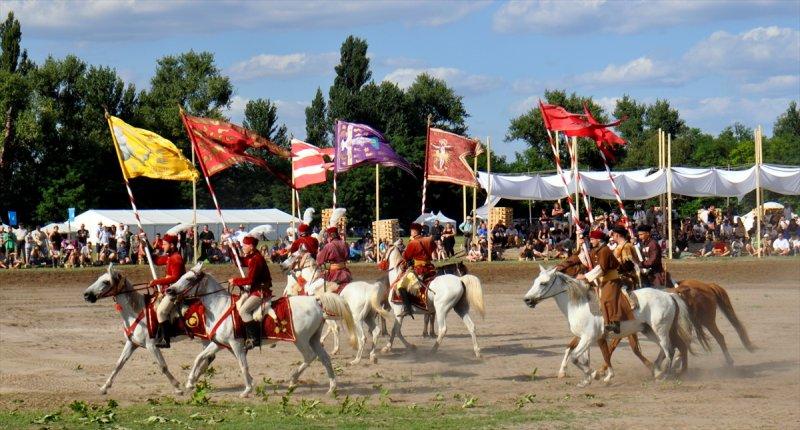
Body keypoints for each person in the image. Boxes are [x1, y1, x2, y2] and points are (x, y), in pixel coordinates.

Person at [576, 230, 631, 334]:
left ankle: (615, 322)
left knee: (607, 298)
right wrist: (581, 248)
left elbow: (601, 268)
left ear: (598, 240)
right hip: (603, 280)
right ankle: (607, 321)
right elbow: (588, 262)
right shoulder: (596, 250)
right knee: (601, 299)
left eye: (592, 239)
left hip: (611, 279)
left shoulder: (605, 250)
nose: (591, 241)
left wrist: (584, 276)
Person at [229, 235, 272, 350]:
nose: (243, 247)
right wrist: (232, 249)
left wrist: (235, 281)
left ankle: (255, 338)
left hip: (261, 291)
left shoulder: (256, 259)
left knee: (243, 311)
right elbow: (240, 262)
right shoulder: (253, 256)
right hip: (255, 289)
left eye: (244, 245)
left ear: (251, 246)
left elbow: (251, 280)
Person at [148, 234, 186, 348]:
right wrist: (146, 245)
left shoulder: (176, 258)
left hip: (176, 291)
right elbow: (156, 260)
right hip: (168, 290)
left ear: (172, 245)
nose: (162, 246)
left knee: (161, 312)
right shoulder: (170, 257)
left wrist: (157, 282)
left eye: (164, 244)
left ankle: (165, 338)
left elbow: (175, 278)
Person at [399, 222, 436, 317]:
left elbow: (406, 256)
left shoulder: (413, 242)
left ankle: (408, 308)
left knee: (401, 286)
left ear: (414, 231)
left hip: (419, 269)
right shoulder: (428, 239)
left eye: (411, 231)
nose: (410, 233)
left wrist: (409, 244)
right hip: (430, 268)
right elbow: (434, 247)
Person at [610, 226, 640, 291]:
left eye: (613, 235)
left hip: (627, 279)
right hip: (626, 277)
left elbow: (627, 264)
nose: (612, 237)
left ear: (617, 235)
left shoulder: (626, 246)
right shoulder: (623, 246)